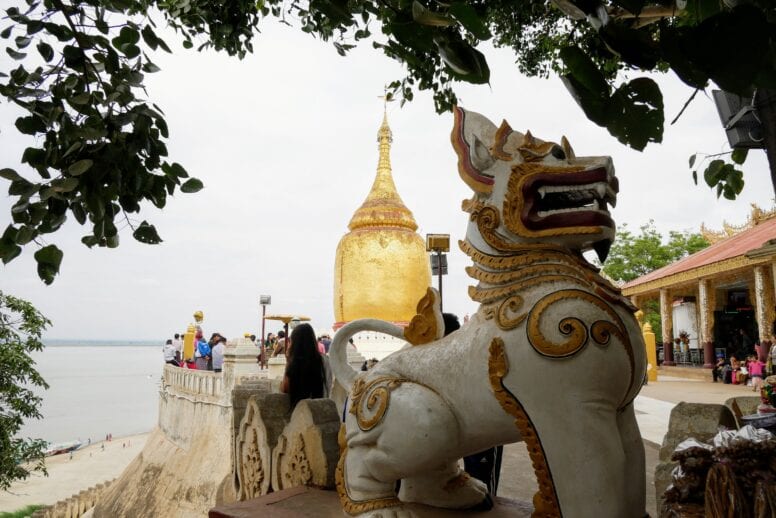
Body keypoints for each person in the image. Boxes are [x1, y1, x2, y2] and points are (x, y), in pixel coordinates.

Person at [280, 323, 326, 409]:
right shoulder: (323, 360)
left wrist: (288, 362)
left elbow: (285, 389)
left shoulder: (295, 363)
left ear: (295, 342)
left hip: (299, 411)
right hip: (320, 407)